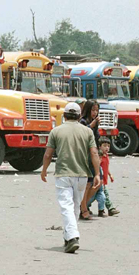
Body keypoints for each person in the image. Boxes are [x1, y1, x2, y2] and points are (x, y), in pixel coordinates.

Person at [41, 102, 101, 254]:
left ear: (65, 116)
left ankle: (73, 237)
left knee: (66, 206)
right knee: (74, 206)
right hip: (82, 175)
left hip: (63, 174)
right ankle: (68, 238)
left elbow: (48, 154)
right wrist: (97, 174)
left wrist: (44, 170)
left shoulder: (56, 131)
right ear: (79, 115)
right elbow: (94, 153)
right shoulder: (87, 131)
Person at [87, 137, 120, 217]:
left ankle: (102, 209)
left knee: (100, 196)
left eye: (108, 146)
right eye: (104, 146)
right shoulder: (99, 157)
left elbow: (106, 167)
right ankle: (109, 209)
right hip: (99, 181)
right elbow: (98, 168)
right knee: (101, 195)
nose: (107, 148)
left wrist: (110, 174)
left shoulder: (106, 156)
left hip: (104, 180)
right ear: (99, 147)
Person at [78, 100, 100, 220]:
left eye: (96, 110)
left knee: (96, 183)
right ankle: (83, 209)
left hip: (93, 155)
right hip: (85, 156)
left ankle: (83, 205)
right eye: (93, 110)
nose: (95, 113)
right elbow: (81, 134)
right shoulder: (82, 122)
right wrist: (91, 126)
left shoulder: (95, 122)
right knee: (87, 184)